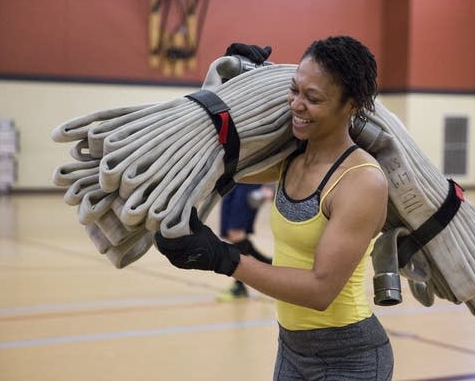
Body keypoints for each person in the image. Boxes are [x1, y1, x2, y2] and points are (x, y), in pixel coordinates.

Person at [155, 35, 394, 380]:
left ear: (352, 104)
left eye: (313, 98)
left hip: (350, 359)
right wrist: (230, 84)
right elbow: (217, 155)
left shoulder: (361, 181)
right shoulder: (290, 159)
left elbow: (319, 290)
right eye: (295, 90)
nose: (297, 104)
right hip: (291, 349)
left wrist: (224, 258)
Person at [217, 183, 273, 301]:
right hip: (231, 182)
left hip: (249, 184)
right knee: (229, 234)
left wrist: (270, 186)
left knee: (235, 232)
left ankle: (239, 286)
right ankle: (268, 263)